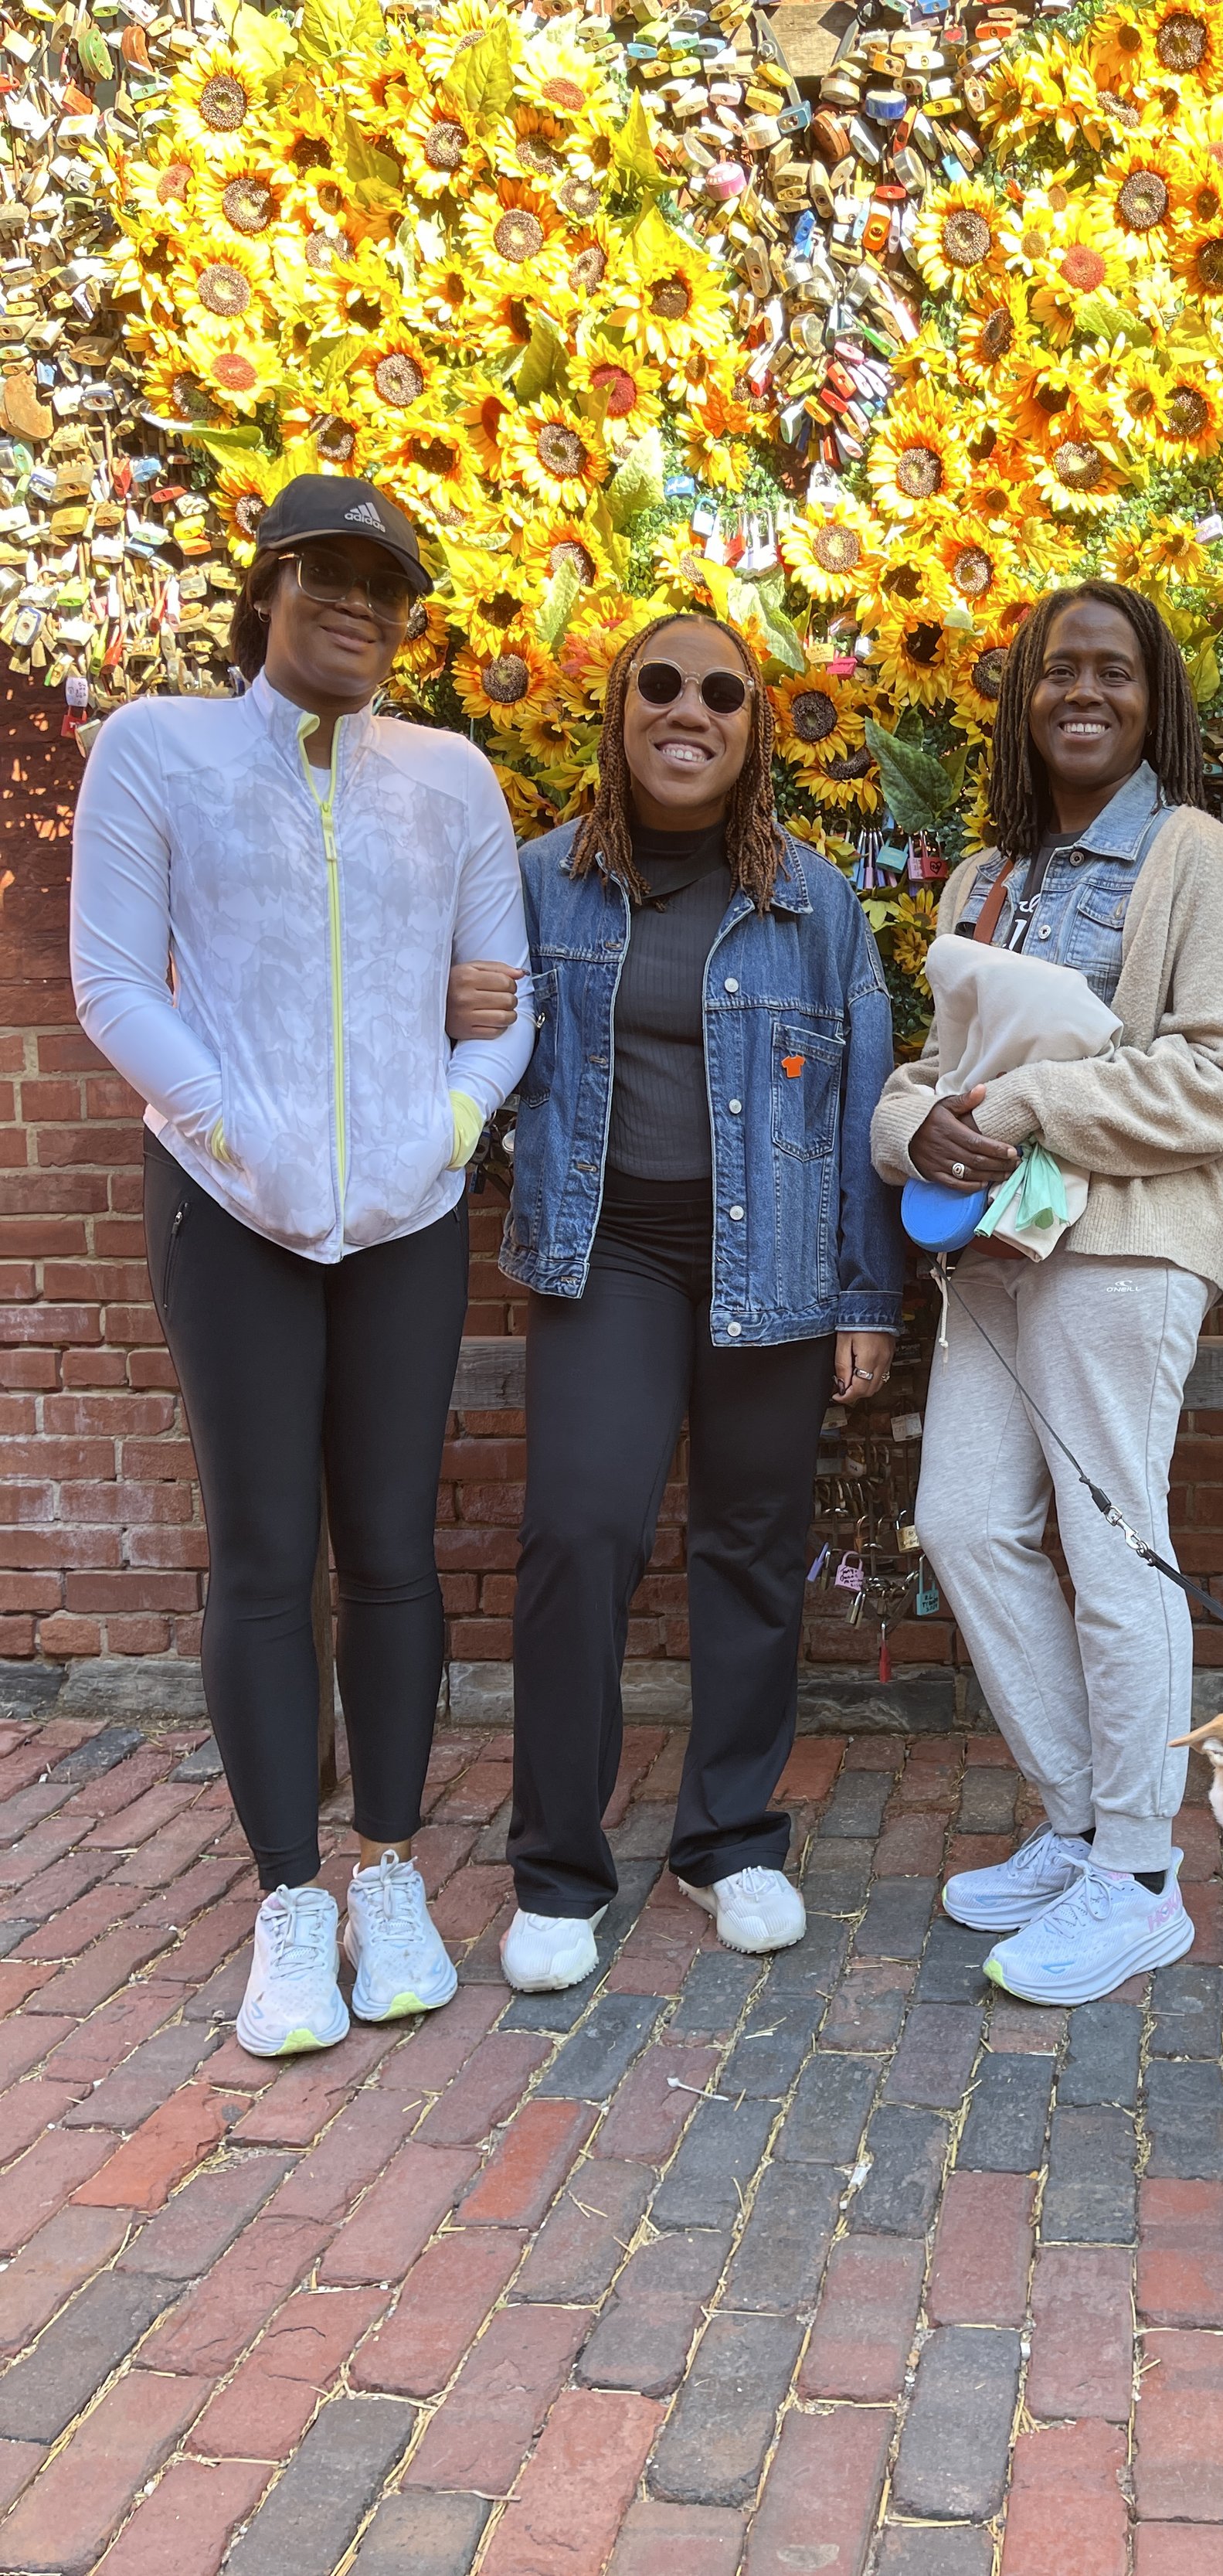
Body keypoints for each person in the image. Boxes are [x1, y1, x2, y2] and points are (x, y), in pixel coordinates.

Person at [70, 475, 534, 2057]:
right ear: (266, 584)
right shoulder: (160, 749)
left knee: (392, 1546)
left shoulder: (452, 775)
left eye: (387, 584)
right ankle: (288, 1899)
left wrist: (448, 1125)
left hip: (404, 1211)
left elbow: (504, 998)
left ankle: (390, 1870)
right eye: (327, 572)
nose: (359, 602)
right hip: (229, 1206)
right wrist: (236, 1132)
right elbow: (114, 982)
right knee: (266, 1551)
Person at [452, 614, 903, 1987]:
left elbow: (862, 1100)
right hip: (610, 1259)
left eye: (722, 690)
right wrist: (453, 1015)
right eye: (661, 684)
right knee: (580, 1534)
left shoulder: (814, 902)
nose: (687, 709)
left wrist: (864, 1295)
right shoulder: (538, 882)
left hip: (769, 1268)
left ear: (757, 726)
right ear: (618, 710)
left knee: (754, 1546)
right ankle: (557, 1868)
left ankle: (731, 1841)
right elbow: (468, 1067)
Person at [871, 583, 1223, 2006]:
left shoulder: (1196, 858)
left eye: (1113, 671)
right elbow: (933, 1072)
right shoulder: (984, 876)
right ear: (1022, 697)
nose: (1083, 693)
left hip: (1127, 1243)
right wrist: (912, 1130)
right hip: (998, 1249)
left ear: (1154, 698)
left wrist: (1029, 1102)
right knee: (964, 1521)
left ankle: (1142, 1877)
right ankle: (1078, 1822)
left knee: (1116, 1549)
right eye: (1058, 672)